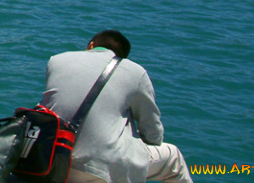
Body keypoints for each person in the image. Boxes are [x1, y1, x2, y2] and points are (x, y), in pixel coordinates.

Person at [41, 31, 191, 183]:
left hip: (51, 158)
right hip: (100, 168)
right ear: (122, 58)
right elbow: (153, 134)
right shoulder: (136, 72)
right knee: (173, 157)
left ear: (91, 45)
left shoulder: (57, 60)